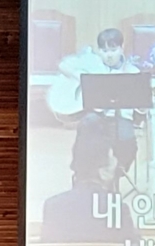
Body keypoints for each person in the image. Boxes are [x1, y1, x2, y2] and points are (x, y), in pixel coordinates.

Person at [59, 28, 144, 180]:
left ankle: (113, 176)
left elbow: (141, 108)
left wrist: (142, 105)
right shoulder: (94, 68)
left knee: (128, 144)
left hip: (123, 119)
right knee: (87, 125)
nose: (109, 55)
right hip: (98, 118)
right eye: (104, 51)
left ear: (122, 48)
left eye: (113, 50)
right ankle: (82, 175)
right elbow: (64, 65)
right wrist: (81, 76)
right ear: (99, 51)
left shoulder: (133, 72)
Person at [40, 116, 139, 244]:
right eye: (112, 158)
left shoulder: (52, 206)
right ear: (103, 172)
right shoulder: (118, 209)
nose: (116, 162)